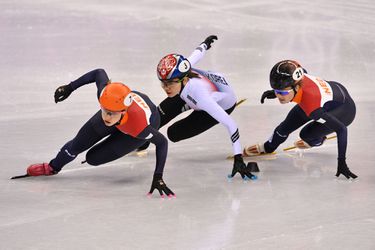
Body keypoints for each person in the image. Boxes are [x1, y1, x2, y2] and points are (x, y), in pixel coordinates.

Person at [19, 69, 175, 197]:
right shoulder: (106, 96)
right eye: (104, 111)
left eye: (111, 113)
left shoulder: (139, 126)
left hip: (143, 123)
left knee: (93, 158)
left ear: (123, 111)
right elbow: (99, 73)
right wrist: (69, 87)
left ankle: (142, 142)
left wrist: (158, 176)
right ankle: (53, 167)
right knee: (77, 144)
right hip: (122, 110)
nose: (107, 117)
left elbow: (162, 143)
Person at [139, 35, 257, 180]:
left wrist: (238, 157)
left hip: (218, 103)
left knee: (173, 133)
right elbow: (197, 53)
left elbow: (231, 124)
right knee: (157, 117)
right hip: (193, 93)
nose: (166, 88)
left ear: (184, 78)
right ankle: (141, 141)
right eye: (163, 83)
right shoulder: (183, 69)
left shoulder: (202, 97)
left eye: (170, 83)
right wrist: (205, 44)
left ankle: (188, 107)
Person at [244, 60, 357, 179]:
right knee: (284, 127)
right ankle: (267, 148)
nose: (279, 97)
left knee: (306, 134)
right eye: (277, 91)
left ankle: (317, 140)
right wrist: (275, 92)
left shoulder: (313, 107)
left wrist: (342, 162)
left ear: (297, 87)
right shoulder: (297, 76)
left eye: (282, 92)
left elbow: (341, 129)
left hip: (344, 110)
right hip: (328, 93)